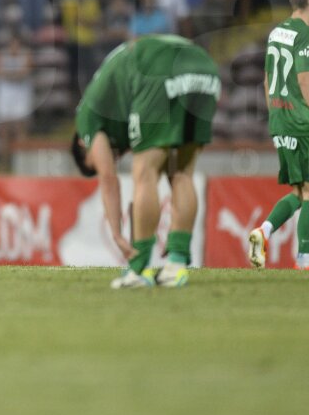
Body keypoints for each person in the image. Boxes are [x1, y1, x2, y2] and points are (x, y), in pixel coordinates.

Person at [70, 34, 221, 288]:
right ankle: (176, 264)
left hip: (160, 72)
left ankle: (139, 269)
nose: (111, 159)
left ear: (82, 145)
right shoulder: (114, 103)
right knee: (182, 171)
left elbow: (108, 178)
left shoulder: (86, 118)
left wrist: (117, 234)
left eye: (93, 162)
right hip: (205, 69)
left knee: (144, 172)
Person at [247, 0, 309, 271]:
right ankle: (305, 259)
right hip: (302, 121)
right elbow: (305, 80)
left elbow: (268, 76)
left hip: (280, 119)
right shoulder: (306, 35)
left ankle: (264, 231)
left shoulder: (276, 32)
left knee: (298, 190)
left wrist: (276, 112)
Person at [0, 32, 34, 173]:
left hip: (21, 96)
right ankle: (4, 165)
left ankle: (21, 164)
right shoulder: (1, 55)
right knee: (4, 132)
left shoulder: (26, 55)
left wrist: (9, 74)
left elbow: (26, 71)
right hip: (5, 96)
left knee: (20, 130)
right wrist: (16, 74)